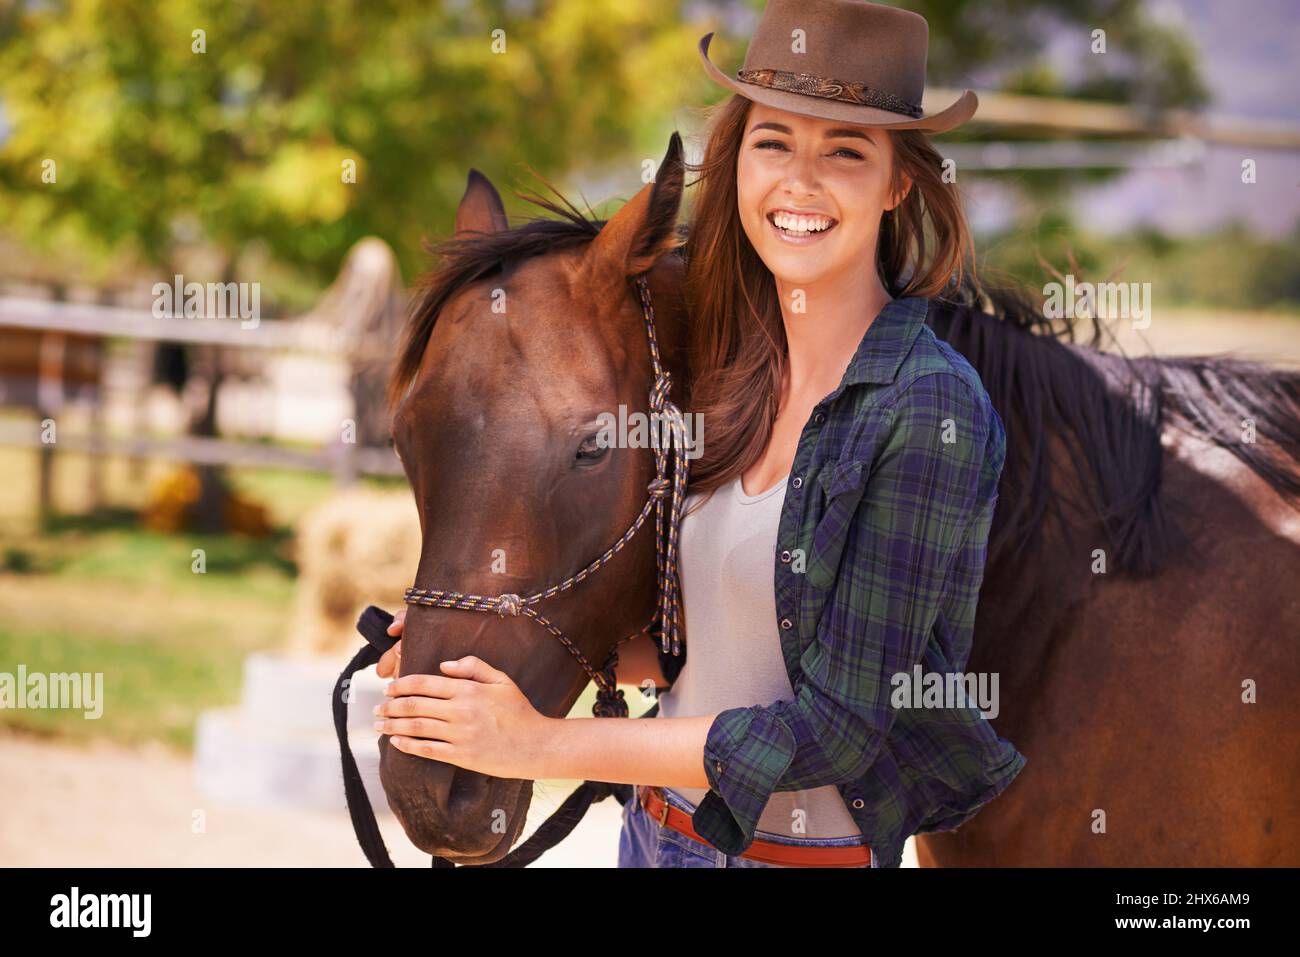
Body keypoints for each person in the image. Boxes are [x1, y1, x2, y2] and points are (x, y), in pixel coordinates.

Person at [376, 0, 1026, 868]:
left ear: (899, 182)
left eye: (845, 151)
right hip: (655, 838)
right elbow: (708, 658)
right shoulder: (733, 379)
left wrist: (539, 746)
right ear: (736, 162)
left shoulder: (929, 408)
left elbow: (838, 729)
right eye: (773, 143)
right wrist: (483, 651)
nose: (800, 182)